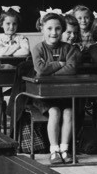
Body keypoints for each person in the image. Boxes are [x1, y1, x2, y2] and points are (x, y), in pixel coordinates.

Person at [31, 12, 81, 165]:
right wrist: (60, 64)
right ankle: (54, 150)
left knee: (68, 111)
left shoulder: (69, 49)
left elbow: (72, 69)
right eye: (49, 28)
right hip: (43, 94)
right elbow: (40, 70)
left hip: (63, 92)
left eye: (58, 28)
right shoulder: (38, 48)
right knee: (55, 111)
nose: (54, 32)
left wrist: (50, 70)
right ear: (42, 29)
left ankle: (64, 149)